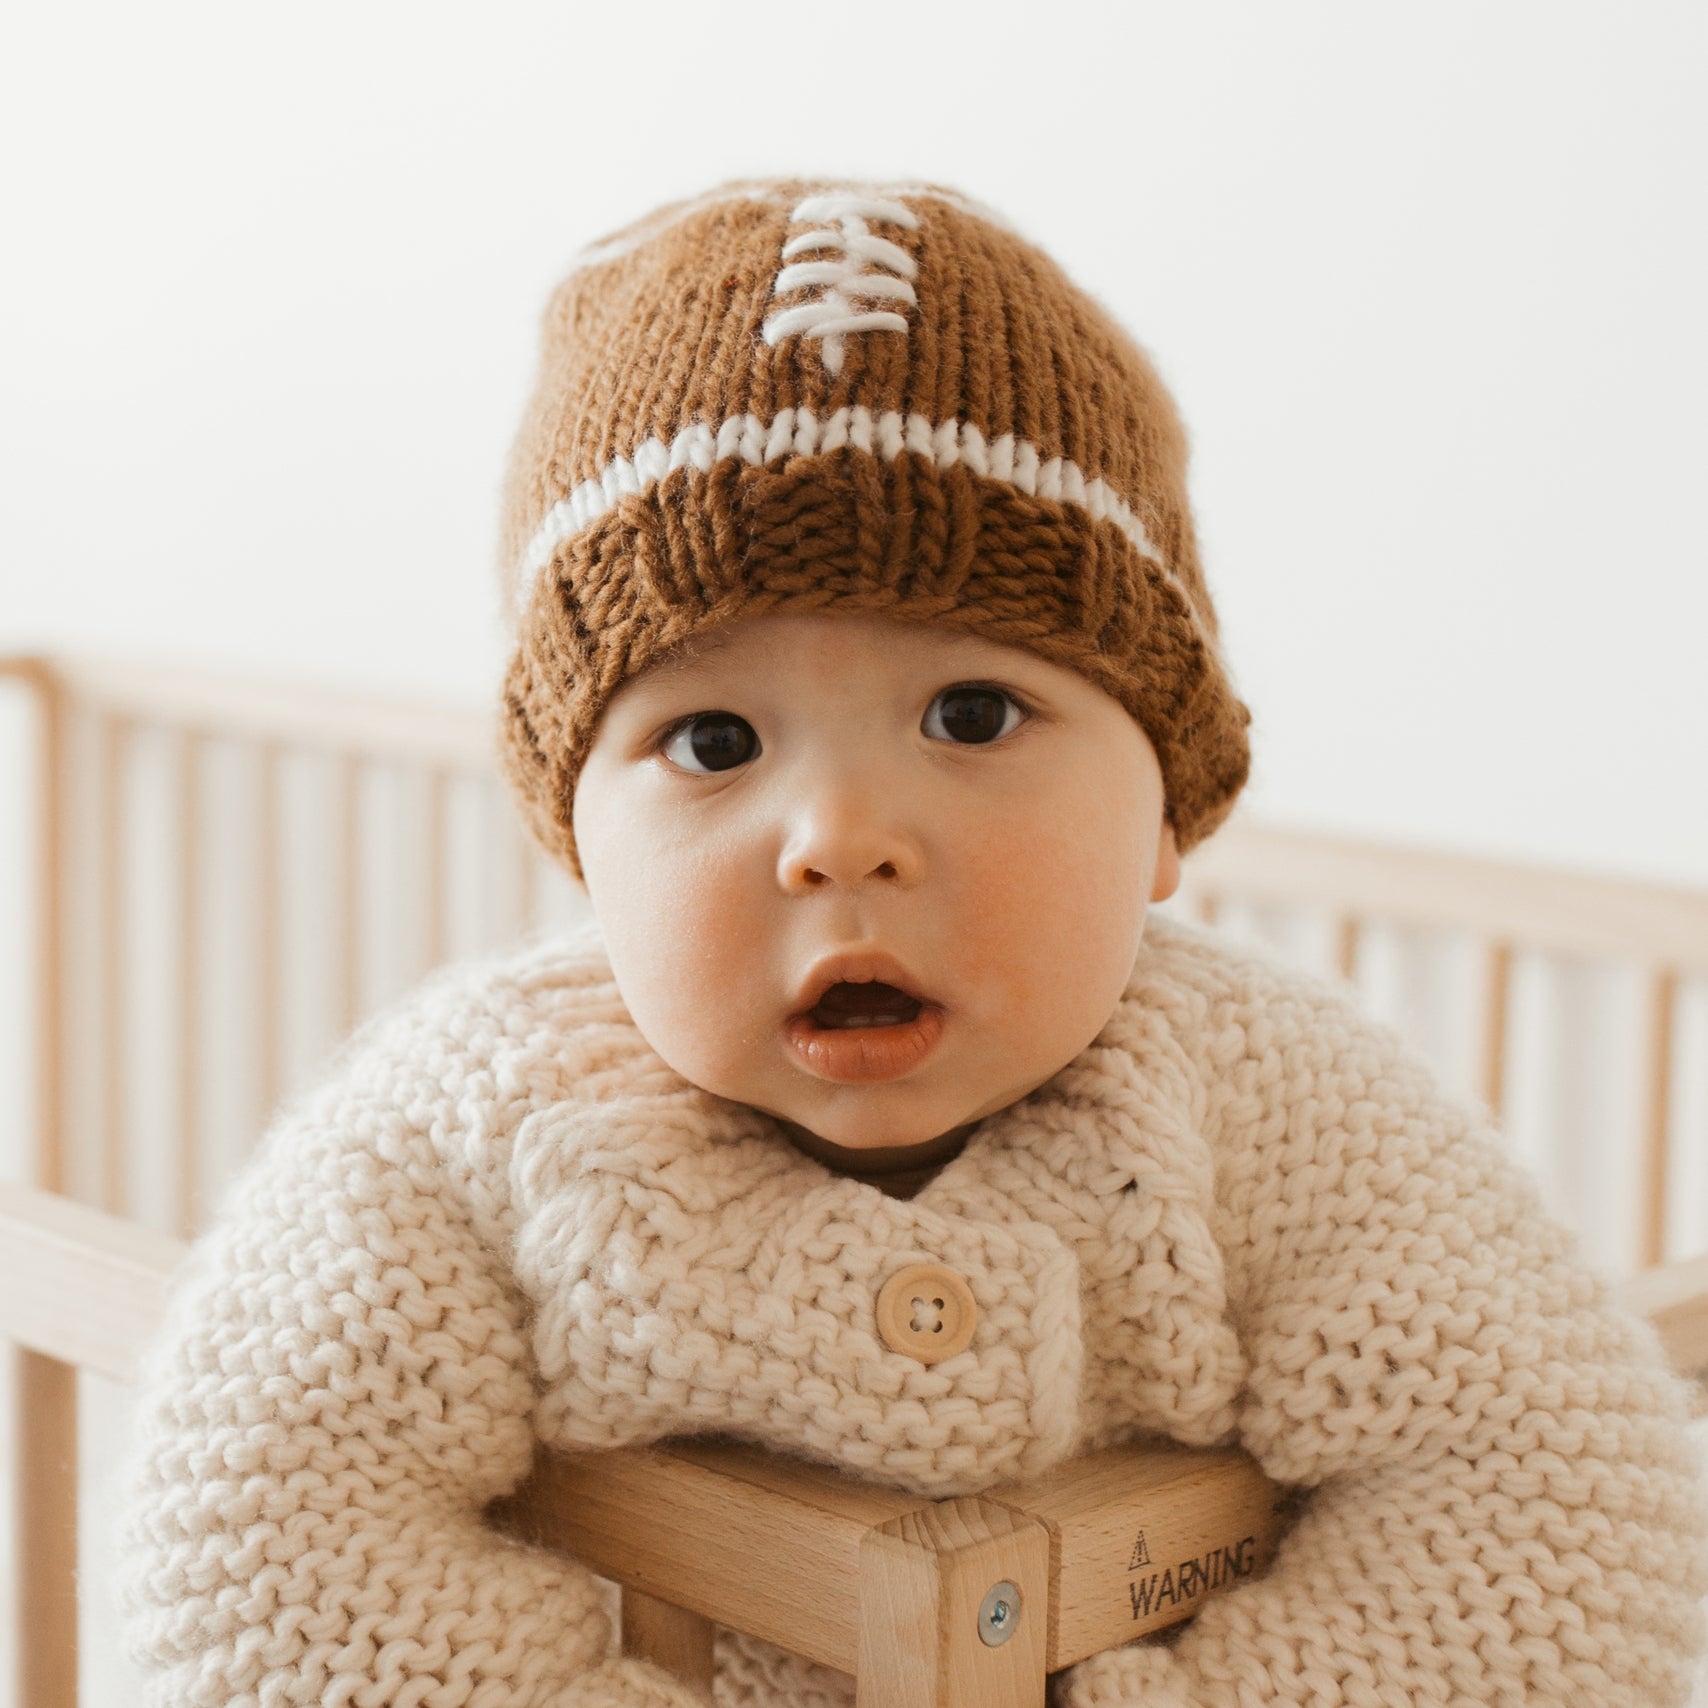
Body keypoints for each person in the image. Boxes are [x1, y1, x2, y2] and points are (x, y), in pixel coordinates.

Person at [119, 178, 1707, 1707]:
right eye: (715, 740)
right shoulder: (464, 1129)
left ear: (1169, 810)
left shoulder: (1275, 1106)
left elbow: (1552, 1507)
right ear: (582, 852)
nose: (838, 835)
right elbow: (262, 1548)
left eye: (970, 713)